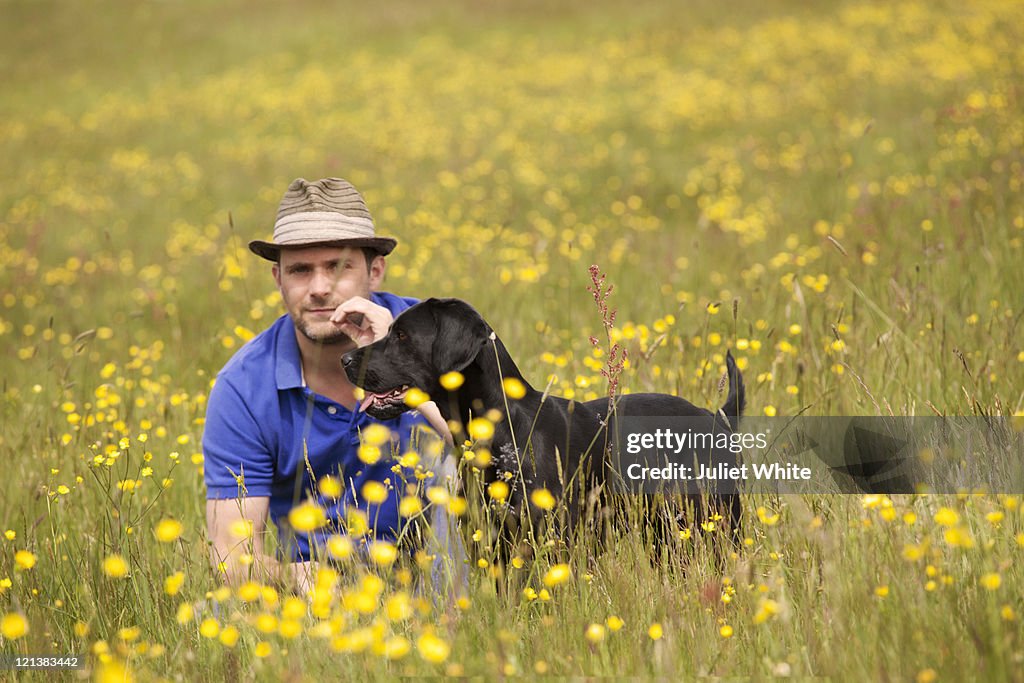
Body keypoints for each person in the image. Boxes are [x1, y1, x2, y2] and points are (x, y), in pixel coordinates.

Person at [202, 177, 456, 594]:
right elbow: (231, 554)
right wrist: (293, 578)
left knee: (453, 469)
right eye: (300, 270)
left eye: (337, 267)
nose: (319, 288)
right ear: (277, 279)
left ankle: (457, 632)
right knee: (208, 621)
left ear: (374, 271)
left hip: (438, 579)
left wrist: (401, 364)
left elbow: (506, 455)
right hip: (316, 598)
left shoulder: (443, 334)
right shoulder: (243, 387)